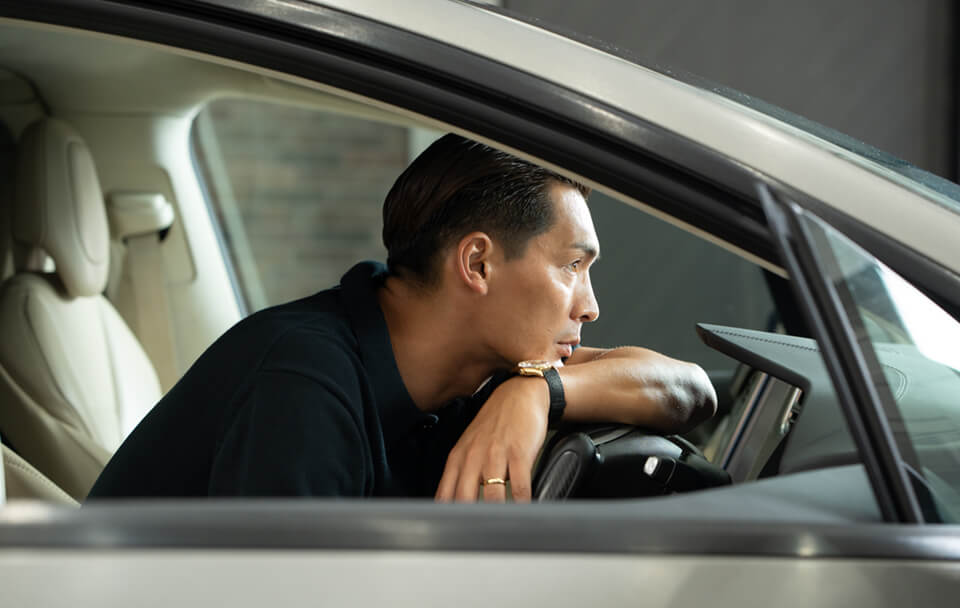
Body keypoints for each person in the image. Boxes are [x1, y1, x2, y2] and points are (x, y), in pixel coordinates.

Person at [88, 134, 716, 502]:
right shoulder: (303, 386)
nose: (590, 304)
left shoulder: (492, 369)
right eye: (571, 267)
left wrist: (539, 395)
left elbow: (689, 390)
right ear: (478, 264)